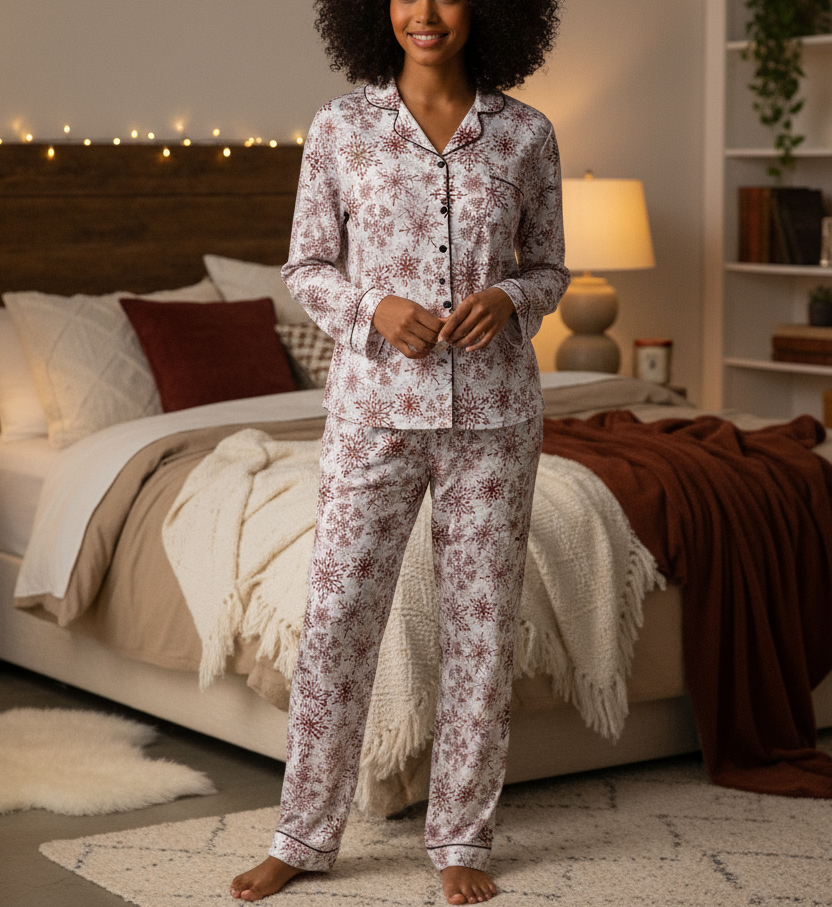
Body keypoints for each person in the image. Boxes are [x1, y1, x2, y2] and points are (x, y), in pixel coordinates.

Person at [231, 0, 568, 902]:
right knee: (338, 622)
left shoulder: (526, 134)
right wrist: (372, 311)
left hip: (494, 419)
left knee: (481, 629)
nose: (424, 11)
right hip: (373, 414)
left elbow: (551, 268)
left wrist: (509, 297)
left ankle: (463, 836)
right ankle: (302, 836)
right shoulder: (341, 128)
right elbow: (306, 266)